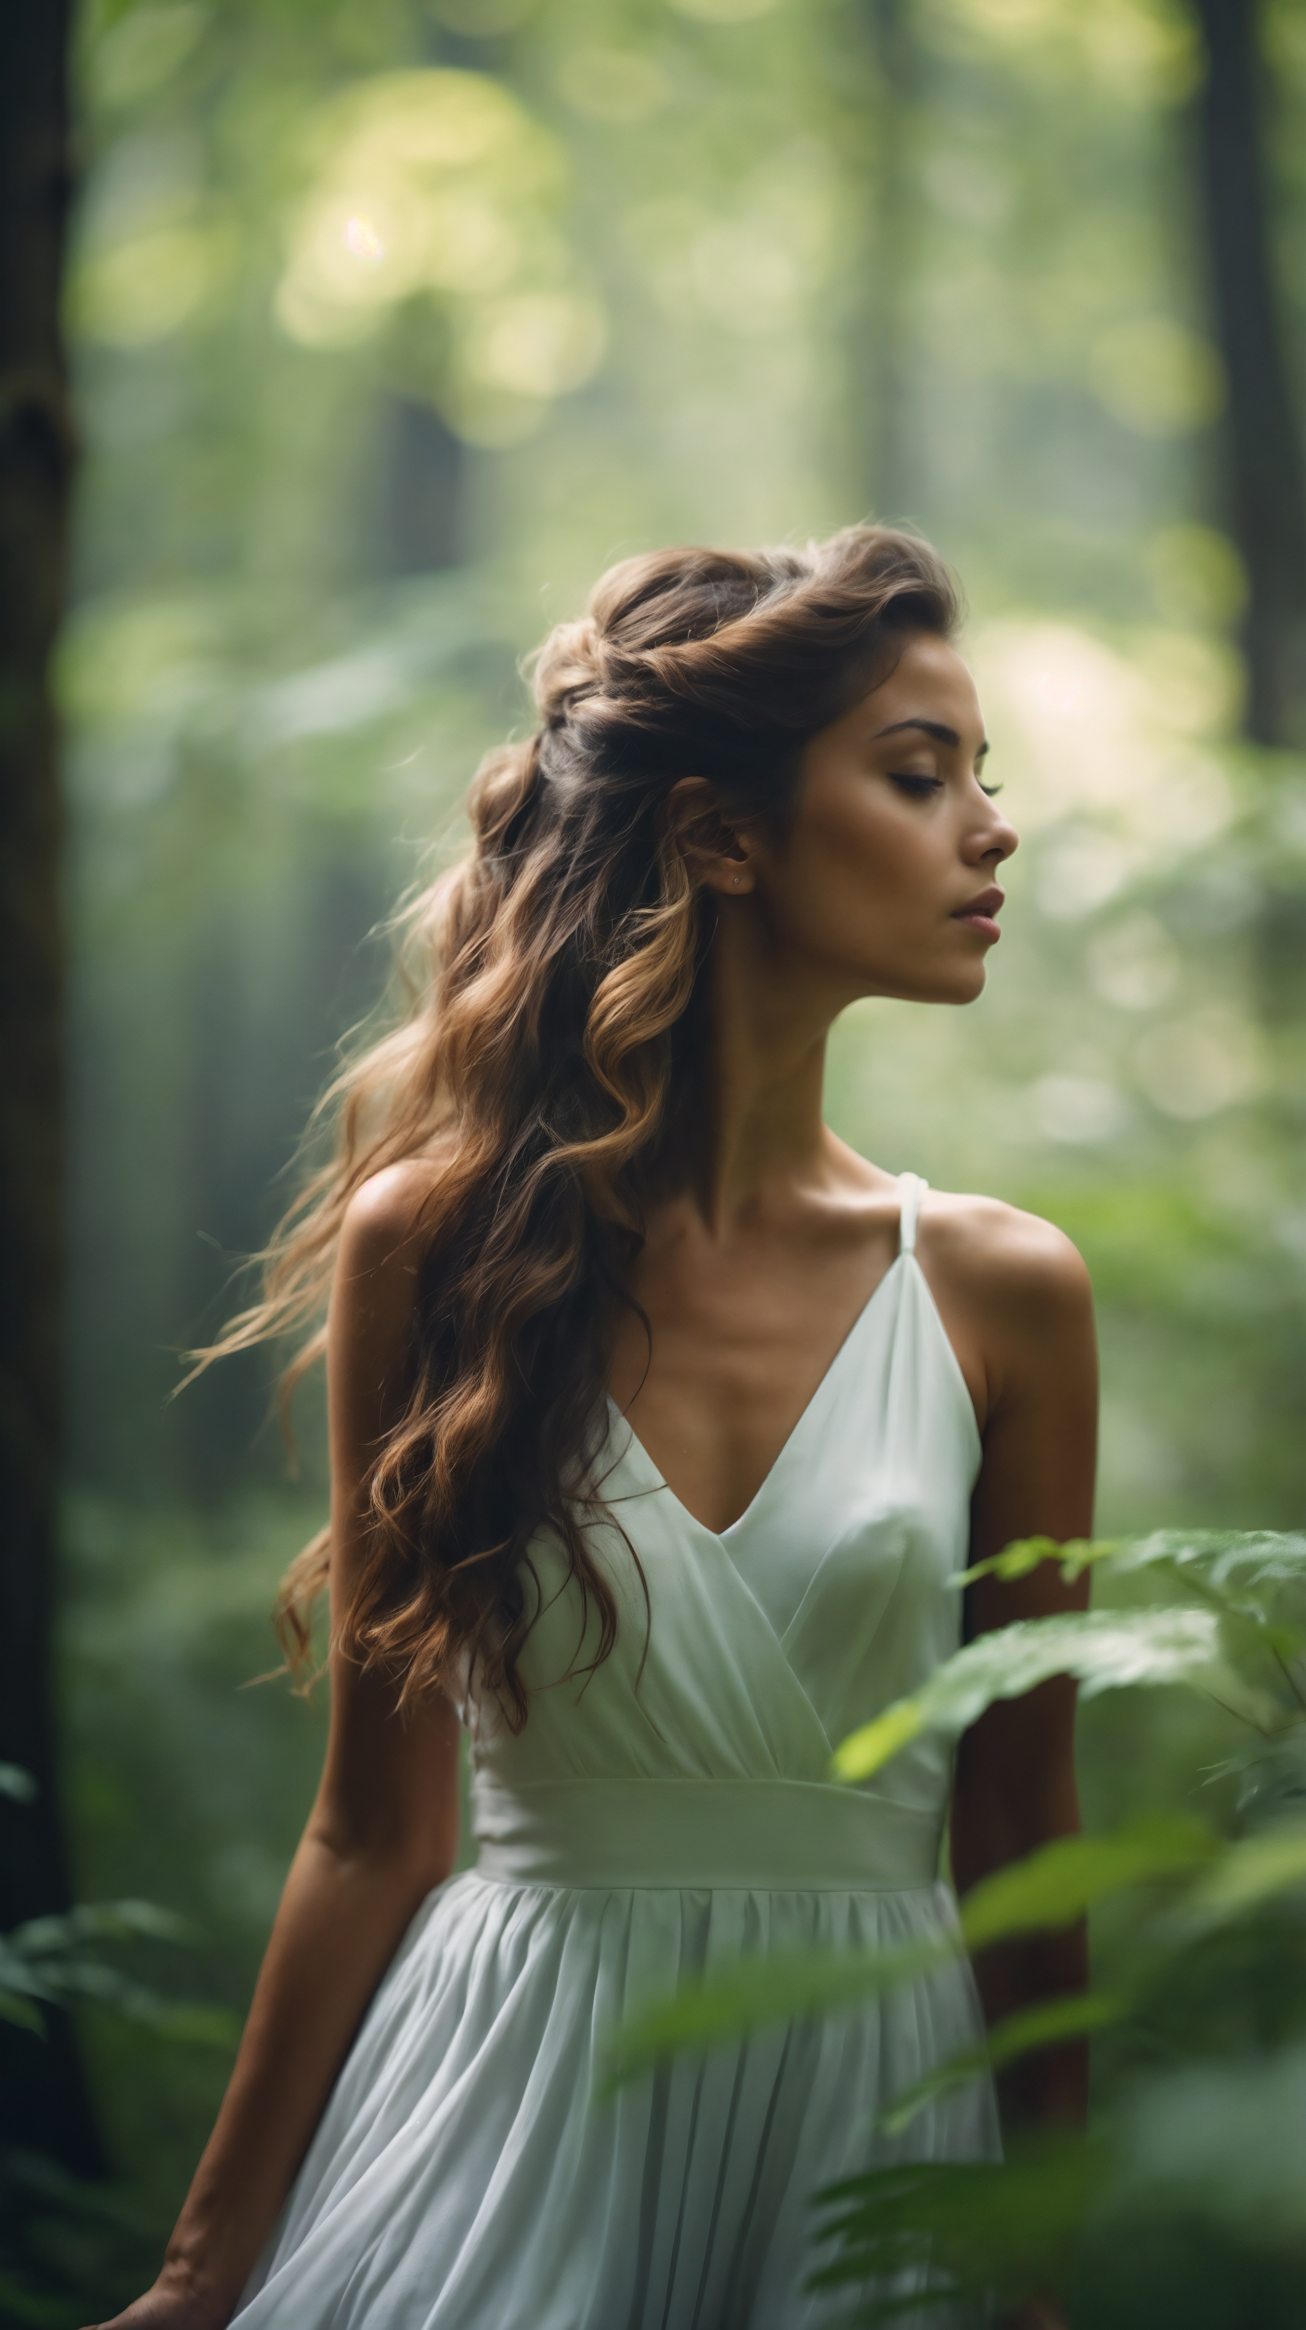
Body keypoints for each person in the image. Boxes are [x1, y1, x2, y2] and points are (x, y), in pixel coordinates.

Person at [95, 526, 1095, 2330]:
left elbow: (1021, 1829)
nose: (988, 826)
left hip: (870, 2120)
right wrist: (193, 2278)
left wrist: (1052, 2270)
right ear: (719, 837)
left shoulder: (1004, 1292)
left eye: (979, 778)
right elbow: (371, 1830)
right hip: (508, 2102)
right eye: (916, 772)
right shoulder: (441, 1251)